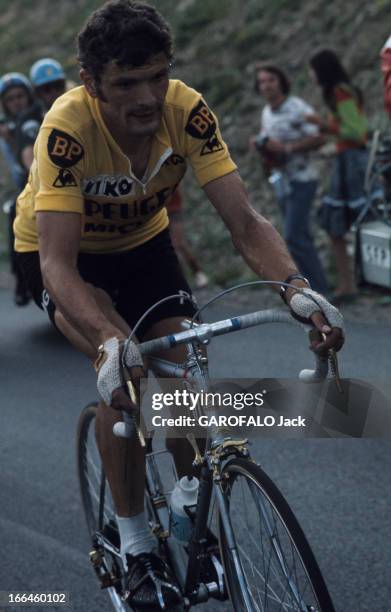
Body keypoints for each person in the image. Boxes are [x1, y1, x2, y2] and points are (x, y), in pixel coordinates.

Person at [14, 2, 343, 608]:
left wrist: (298, 290)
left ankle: (192, 503)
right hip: (67, 256)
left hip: (144, 245)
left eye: (156, 76)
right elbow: (59, 266)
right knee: (126, 380)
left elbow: (244, 223)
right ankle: (136, 544)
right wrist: (111, 342)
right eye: (126, 83)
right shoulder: (66, 128)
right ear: (91, 83)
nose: (146, 97)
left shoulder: (186, 110)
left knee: (182, 375)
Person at [307, 49, 382, 304]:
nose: (310, 75)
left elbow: (356, 132)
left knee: (364, 222)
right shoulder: (339, 92)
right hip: (345, 163)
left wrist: (324, 125)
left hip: (353, 164)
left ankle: (363, 283)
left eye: (313, 69)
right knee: (341, 224)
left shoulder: (340, 92)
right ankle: (349, 284)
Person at [250, 63, 328, 294]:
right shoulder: (267, 112)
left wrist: (287, 148)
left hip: (303, 178)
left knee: (295, 236)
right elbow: (269, 142)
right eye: (262, 81)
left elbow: (320, 136)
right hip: (282, 181)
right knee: (297, 237)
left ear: (281, 81)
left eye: (271, 80)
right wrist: (260, 146)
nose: (266, 86)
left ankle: (320, 290)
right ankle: (313, 288)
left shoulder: (297, 107)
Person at [0, 72, 35, 305]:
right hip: (22, 188)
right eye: (11, 99)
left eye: (20, 96)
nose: (17, 102)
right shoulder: (4, 130)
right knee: (14, 214)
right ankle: (22, 281)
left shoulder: (39, 116)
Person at [166, 187, 209, 288]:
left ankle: (197, 273)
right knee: (173, 246)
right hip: (160, 214)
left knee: (178, 244)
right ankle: (180, 279)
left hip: (174, 213)